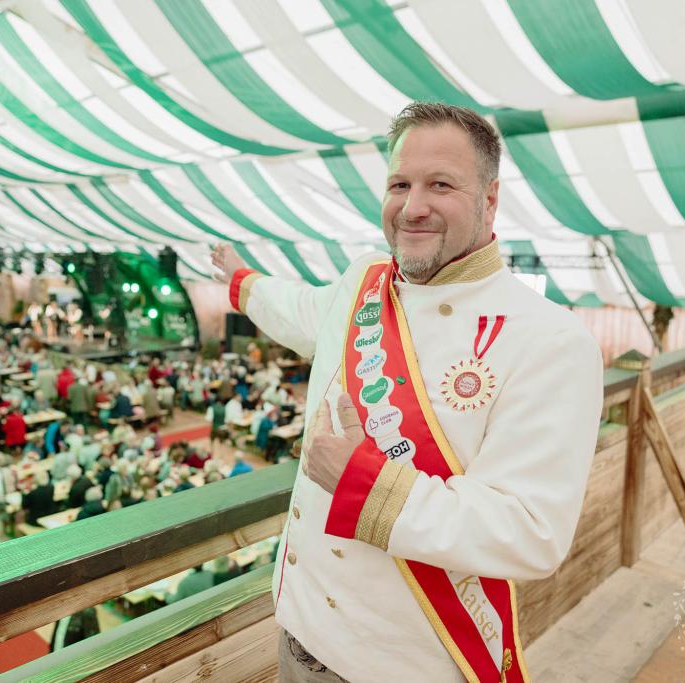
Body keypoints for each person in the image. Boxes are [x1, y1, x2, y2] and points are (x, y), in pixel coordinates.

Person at [210, 102, 604, 683]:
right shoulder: (363, 280)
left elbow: (531, 531)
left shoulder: (552, 339)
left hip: (401, 665)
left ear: (490, 199)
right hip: (297, 631)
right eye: (400, 184)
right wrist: (243, 280)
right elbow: (299, 311)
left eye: (440, 184)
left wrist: (364, 485)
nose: (413, 207)